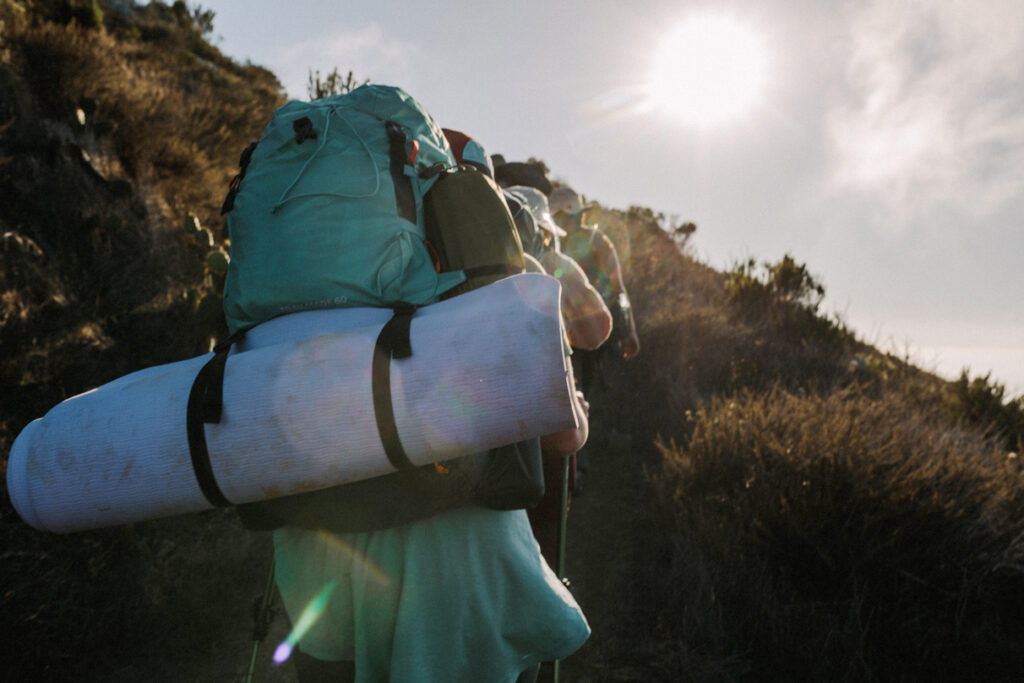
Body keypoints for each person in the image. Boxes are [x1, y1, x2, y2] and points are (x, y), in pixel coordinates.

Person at [263, 130, 593, 682]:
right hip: (457, 555)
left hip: (317, 547)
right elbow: (561, 437)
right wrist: (576, 409)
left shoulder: (312, 273)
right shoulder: (507, 277)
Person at [549, 186, 640, 392]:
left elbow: (619, 289)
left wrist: (630, 329)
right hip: (568, 329)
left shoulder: (595, 242)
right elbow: (620, 289)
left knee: (585, 389)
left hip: (590, 327)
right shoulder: (552, 242)